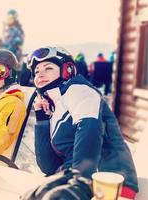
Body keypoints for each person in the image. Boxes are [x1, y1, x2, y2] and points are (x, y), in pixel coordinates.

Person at [26, 46, 138, 199]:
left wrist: (81, 182)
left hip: (108, 184)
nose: (40, 74)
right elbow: (48, 165)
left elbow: (90, 129)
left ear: (68, 70)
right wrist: (42, 118)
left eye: (48, 68)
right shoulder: (57, 106)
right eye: (36, 71)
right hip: (76, 179)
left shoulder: (81, 91)